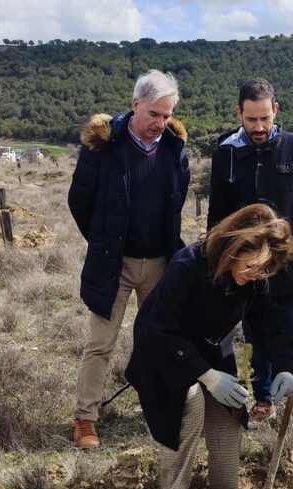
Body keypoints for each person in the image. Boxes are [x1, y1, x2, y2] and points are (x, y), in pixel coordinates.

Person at [125, 204, 293, 489]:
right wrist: (206, 376)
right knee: (190, 405)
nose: (254, 276)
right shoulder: (188, 265)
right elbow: (157, 330)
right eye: (251, 267)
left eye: (263, 272)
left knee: (230, 410)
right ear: (234, 248)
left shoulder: (254, 276)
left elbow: (268, 323)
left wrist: (283, 366)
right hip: (161, 352)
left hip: (208, 351)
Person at [67, 70, 190, 449]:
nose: (160, 123)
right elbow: (79, 201)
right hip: (114, 265)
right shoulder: (104, 146)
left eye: (167, 115)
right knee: (101, 343)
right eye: (154, 114)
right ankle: (85, 418)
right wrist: (105, 243)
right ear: (135, 104)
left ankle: (164, 409)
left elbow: (178, 199)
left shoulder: (173, 148)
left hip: (158, 263)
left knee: (161, 340)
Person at [207, 78, 293, 423]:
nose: (259, 127)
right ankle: (264, 400)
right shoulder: (226, 152)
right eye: (251, 120)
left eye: (265, 118)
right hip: (245, 265)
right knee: (257, 333)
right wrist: (214, 258)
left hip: (291, 263)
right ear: (239, 113)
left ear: (275, 110)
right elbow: (218, 213)